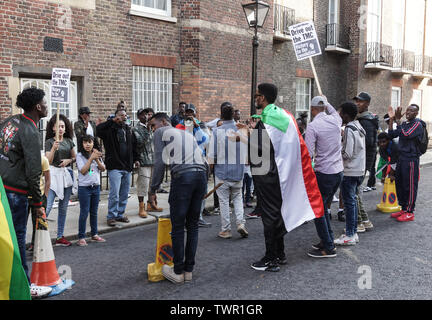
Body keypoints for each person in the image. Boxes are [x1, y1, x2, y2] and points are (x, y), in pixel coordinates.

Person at [0, 87, 53, 298]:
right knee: (18, 238)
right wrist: (38, 204)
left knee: (6, 238)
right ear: (38, 107)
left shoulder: (9, 121)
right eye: (45, 102)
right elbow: (33, 172)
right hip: (15, 193)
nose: (47, 106)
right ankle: (23, 284)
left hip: (2, 188)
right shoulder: (30, 130)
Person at [148, 113, 208, 284]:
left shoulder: (161, 132)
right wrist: (202, 187)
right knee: (193, 225)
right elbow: (202, 159)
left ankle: (178, 271)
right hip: (201, 175)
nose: (153, 129)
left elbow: (159, 162)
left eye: (154, 125)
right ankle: (188, 271)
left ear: (164, 122)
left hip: (183, 177)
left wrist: (153, 189)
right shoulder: (186, 134)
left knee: (178, 226)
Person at [304, 96, 342, 258]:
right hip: (338, 171)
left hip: (324, 172)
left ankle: (328, 247)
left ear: (312, 110)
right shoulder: (336, 120)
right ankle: (328, 239)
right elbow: (333, 110)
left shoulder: (313, 126)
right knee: (325, 208)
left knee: (318, 211)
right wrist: (327, 102)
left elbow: (308, 153)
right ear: (325, 107)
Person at [208, 103, 248, 239]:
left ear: (221, 115)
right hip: (238, 171)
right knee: (238, 198)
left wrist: (210, 172)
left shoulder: (216, 131)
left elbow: (212, 156)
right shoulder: (242, 130)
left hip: (222, 173)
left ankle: (226, 230)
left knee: (224, 201)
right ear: (233, 115)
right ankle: (241, 223)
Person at [97, 108, 138, 227]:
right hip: (115, 166)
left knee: (124, 193)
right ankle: (111, 216)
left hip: (127, 166)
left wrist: (135, 159)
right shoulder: (109, 129)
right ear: (116, 117)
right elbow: (98, 130)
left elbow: (133, 146)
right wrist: (111, 121)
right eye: (120, 115)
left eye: (125, 115)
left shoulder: (128, 129)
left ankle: (120, 214)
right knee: (114, 193)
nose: (123, 117)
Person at [334, 102, 366, 246]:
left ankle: (350, 234)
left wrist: (335, 153)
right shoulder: (358, 126)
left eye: (340, 113)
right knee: (352, 202)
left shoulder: (349, 128)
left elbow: (347, 153)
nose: (339, 115)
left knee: (349, 203)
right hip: (359, 170)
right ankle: (352, 232)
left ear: (346, 114)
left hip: (350, 171)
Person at [175, 103, 211, 227]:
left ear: (195, 113)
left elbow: (206, 141)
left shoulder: (201, 125)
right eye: (187, 112)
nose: (189, 115)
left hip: (200, 162)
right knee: (186, 193)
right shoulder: (179, 125)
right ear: (184, 114)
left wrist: (197, 128)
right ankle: (185, 219)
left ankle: (198, 217)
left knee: (201, 191)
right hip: (186, 163)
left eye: (192, 112)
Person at [387, 104, 424, 222]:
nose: (408, 112)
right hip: (401, 158)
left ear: (416, 113)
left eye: (412, 111)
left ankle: (410, 212)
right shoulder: (405, 124)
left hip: (411, 159)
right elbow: (391, 134)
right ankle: (403, 208)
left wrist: (398, 121)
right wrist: (392, 119)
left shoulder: (417, 124)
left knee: (410, 185)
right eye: (407, 110)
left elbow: (406, 135)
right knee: (400, 184)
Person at [45, 114, 76, 247]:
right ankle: (39, 236)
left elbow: (75, 157)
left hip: (66, 174)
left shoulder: (69, 141)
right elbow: (48, 161)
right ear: (53, 128)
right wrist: (53, 148)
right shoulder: (50, 142)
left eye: (63, 126)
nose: (61, 129)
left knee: (63, 208)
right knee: (47, 206)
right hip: (53, 175)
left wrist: (69, 160)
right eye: (58, 127)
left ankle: (60, 236)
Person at [76, 135, 106, 246]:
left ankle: (94, 234)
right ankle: (81, 236)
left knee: (94, 212)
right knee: (84, 212)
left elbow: (102, 168)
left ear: (93, 143)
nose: (87, 144)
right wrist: (91, 158)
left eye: (90, 142)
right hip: (84, 188)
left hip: (95, 187)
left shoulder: (97, 155)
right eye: (85, 142)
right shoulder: (79, 156)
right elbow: (83, 170)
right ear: (82, 144)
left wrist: (96, 158)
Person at [353, 92, 376, 231]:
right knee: (356, 193)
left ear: (367, 103)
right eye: (356, 101)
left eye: (360, 101)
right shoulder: (362, 119)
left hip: (361, 163)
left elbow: (369, 142)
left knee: (354, 194)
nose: (357, 103)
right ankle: (365, 221)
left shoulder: (366, 121)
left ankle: (359, 223)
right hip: (361, 162)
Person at [132, 108, 160, 217]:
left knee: (152, 186)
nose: (146, 117)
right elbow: (140, 143)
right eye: (143, 115)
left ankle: (151, 204)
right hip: (143, 161)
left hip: (153, 160)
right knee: (143, 186)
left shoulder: (153, 128)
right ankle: (141, 208)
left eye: (147, 115)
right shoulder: (136, 129)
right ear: (139, 117)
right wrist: (148, 130)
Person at [27, 154, 50, 252]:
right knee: (20, 224)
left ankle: (35, 244)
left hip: (38, 196)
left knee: (37, 223)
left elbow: (48, 179)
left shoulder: (43, 159)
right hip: (23, 196)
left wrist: (45, 195)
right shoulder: (21, 158)